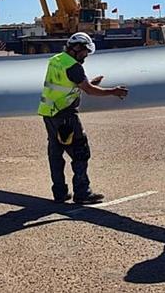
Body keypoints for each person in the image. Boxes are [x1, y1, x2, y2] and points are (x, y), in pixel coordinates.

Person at [38, 32, 129, 204]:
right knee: (80, 151)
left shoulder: (56, 60)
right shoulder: (74, 67)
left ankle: (59, 192)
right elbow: (88, 90)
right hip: (65, 115)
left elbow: (64, 84)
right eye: (85, 51)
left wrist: (88, 83)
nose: (86, 55)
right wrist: (113, 91)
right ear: (77, 48)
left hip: (48, 113)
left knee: (55, 152)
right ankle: (82, 192)